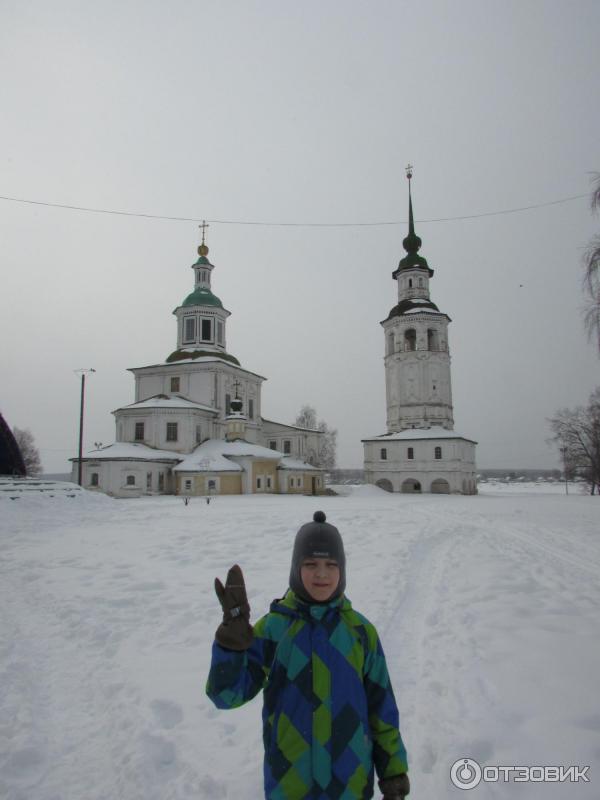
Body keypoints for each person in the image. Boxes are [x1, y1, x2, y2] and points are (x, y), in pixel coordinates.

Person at [206, 511, 410, 800]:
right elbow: (226, 696)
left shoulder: (360, 633)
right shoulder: (274, 630)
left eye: (331, 564)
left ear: (343, 570)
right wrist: (231, 647)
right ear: (295, 568)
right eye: (310, 564)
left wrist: (393, 770)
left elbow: (381, 708)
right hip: (290, 784)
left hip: (350, 785)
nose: (322, 574)